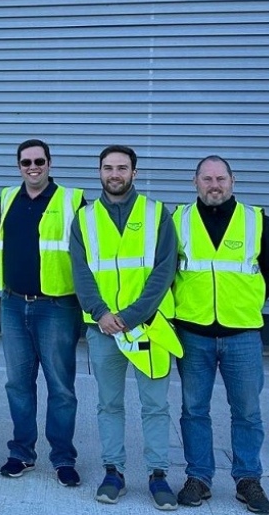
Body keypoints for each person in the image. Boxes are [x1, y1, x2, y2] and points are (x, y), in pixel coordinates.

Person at [69, 145, 181, 510]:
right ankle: (113, 471)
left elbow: (164, 270)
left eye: (121, 168)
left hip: (149, 326)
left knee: (155, 405)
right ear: (99, 172)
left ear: (134, 172)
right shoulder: (84, 218)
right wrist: (101, 313)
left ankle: (158, 475)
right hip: (103, 330)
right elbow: (81, 272)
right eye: (107, 168)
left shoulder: (156, 214)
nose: (114, 174)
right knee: (109, 404)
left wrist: (131, 316)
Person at [172, 156, 269, 515]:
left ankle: (248, 479)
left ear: (233, 181)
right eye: (207, 179)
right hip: (193, 333)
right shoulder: (178, 220)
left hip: (242, 335)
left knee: (248, 411)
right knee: (193, 410)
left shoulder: (257, 220)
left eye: (220, 178)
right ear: (195, 183)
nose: (214, 185)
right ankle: (199, 477)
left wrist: (247, 303)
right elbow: (165, 271)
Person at [0, 139, 85, 487]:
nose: (33, 167)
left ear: (50, 163)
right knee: (18, 384)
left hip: (56, 306)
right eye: (26, 162)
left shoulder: (72, 200)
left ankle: (63, 458)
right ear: (18, 166)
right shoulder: (6, 199)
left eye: (39, 161)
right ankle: (21, 453)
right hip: (13, 303)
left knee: (61, 387)